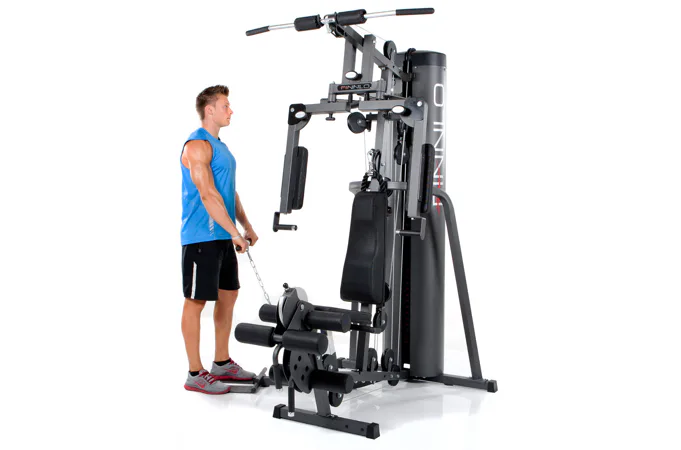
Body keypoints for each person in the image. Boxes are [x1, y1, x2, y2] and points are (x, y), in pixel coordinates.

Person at [180, 85, 258, 394]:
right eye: (225, 105)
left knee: (229, 295)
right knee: (196, 301)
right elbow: (207, 194)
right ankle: (195, 373)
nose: (231, 110)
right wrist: (235, 232)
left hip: (224, 234)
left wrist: (245, 225)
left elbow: (228, 192)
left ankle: (222, 363)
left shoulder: (220, 147)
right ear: (209, 110)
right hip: (201, 236)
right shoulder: (196, 145)